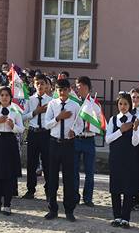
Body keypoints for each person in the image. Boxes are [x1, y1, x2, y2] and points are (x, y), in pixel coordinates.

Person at [43, 77, 84, 222]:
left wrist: (75, 132)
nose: (62, 92)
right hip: (54, 143)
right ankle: (52, 209)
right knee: (52, 178)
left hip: (68, 144)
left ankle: (69, 210)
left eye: (65, 90)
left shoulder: (75, 106)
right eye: (59, 90)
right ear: (56, 90)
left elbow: (80, 124)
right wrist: (58, 117)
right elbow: (46, 124)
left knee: (69, 178)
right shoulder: (52, 104)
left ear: (69, 90)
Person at [0, 85, 23, 215]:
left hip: (9, 142)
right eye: (2, 95)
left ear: (10, 97)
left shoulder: (15, 110)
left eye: (7, 95)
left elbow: (21, 129)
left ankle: (7, 204)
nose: (4, 97)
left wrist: (13, 126)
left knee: (8, 173)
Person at [107, 92, 139, 228]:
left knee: (128, 188)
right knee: (115, 188)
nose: (123, 106)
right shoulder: (113, 119)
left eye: (126, 104)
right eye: (120, 104)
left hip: (129, 158)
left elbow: (135, 142)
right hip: (115, 158)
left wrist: (135, 129)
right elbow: (108, 139)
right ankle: (116, 216)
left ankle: (126, 218)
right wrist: (121, 131)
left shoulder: (135, 119)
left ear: (130, 105)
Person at [22, 73, 52, 199]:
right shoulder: (29, 100)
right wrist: (35, 112)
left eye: (42, 83)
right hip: (33, 133)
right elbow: (23, 116)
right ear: (33, 85)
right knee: (31, 163)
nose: (40, 86)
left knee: (47, 163)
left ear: (46, 85)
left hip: (46, 133)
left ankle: (49, 190)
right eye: (37, 83)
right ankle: (30, 190)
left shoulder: (51, 101)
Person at [74, 76, 98, 207]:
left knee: (89, 171)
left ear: (88, 87)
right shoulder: (74, 103)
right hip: (77, 139)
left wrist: (92, 125)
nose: (79, 89)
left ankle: (88, 197)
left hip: (89, 139)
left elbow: (99, 121)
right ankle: (75, 196)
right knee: (74, 170)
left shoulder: (95, 104)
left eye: (82, 86)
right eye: (78, 86)